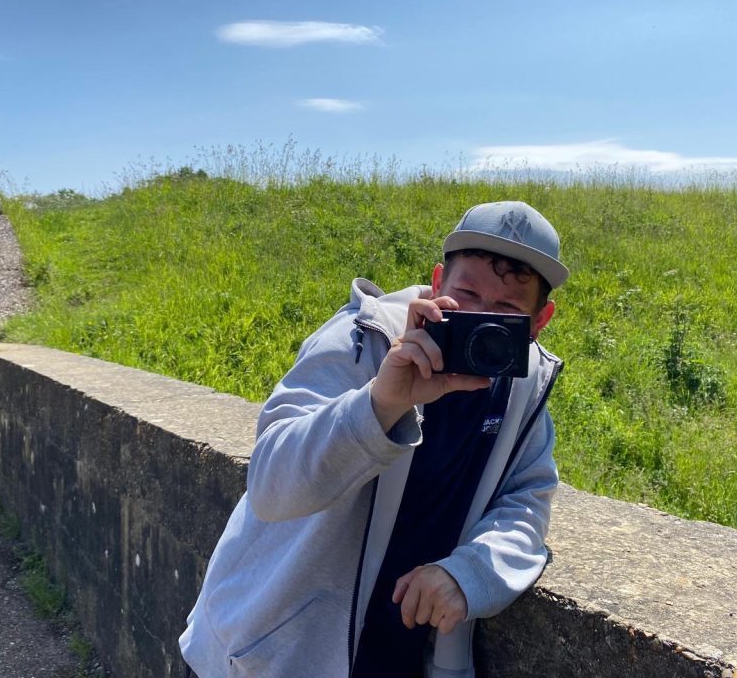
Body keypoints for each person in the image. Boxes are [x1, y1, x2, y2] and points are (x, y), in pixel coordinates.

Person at [180, 200, 569, 678]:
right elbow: (270, 486)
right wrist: (380, 404)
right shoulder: (363, 339)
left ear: (539, 321)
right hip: (269, 656)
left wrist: (471, 573)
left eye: (506, 310)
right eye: (466, 293)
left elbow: (526, 500)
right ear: (437, 283)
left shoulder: (523, 386)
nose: (479, 319)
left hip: (393, 657)